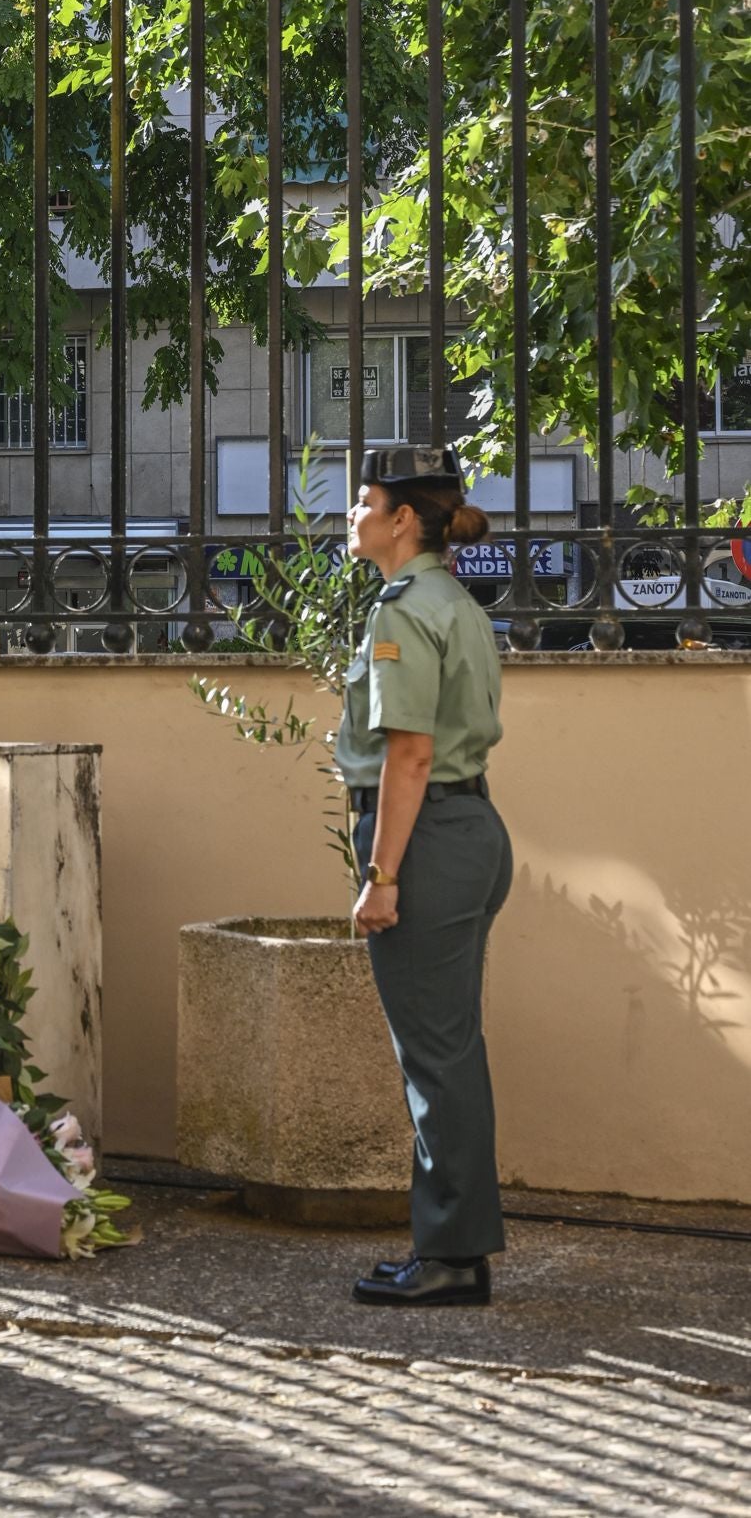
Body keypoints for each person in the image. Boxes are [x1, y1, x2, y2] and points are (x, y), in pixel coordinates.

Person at [338, 442, 513, 1308]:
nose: (353, 516)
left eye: (364, 502)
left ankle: (449, 1257)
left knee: (435, 1060)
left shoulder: (404, 610)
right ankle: (455, 1248)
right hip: (472, 828)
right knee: (450, 1053)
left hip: (429, 837)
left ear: (403, 519)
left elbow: (407, 756)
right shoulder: (458, 603)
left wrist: (381, 875)